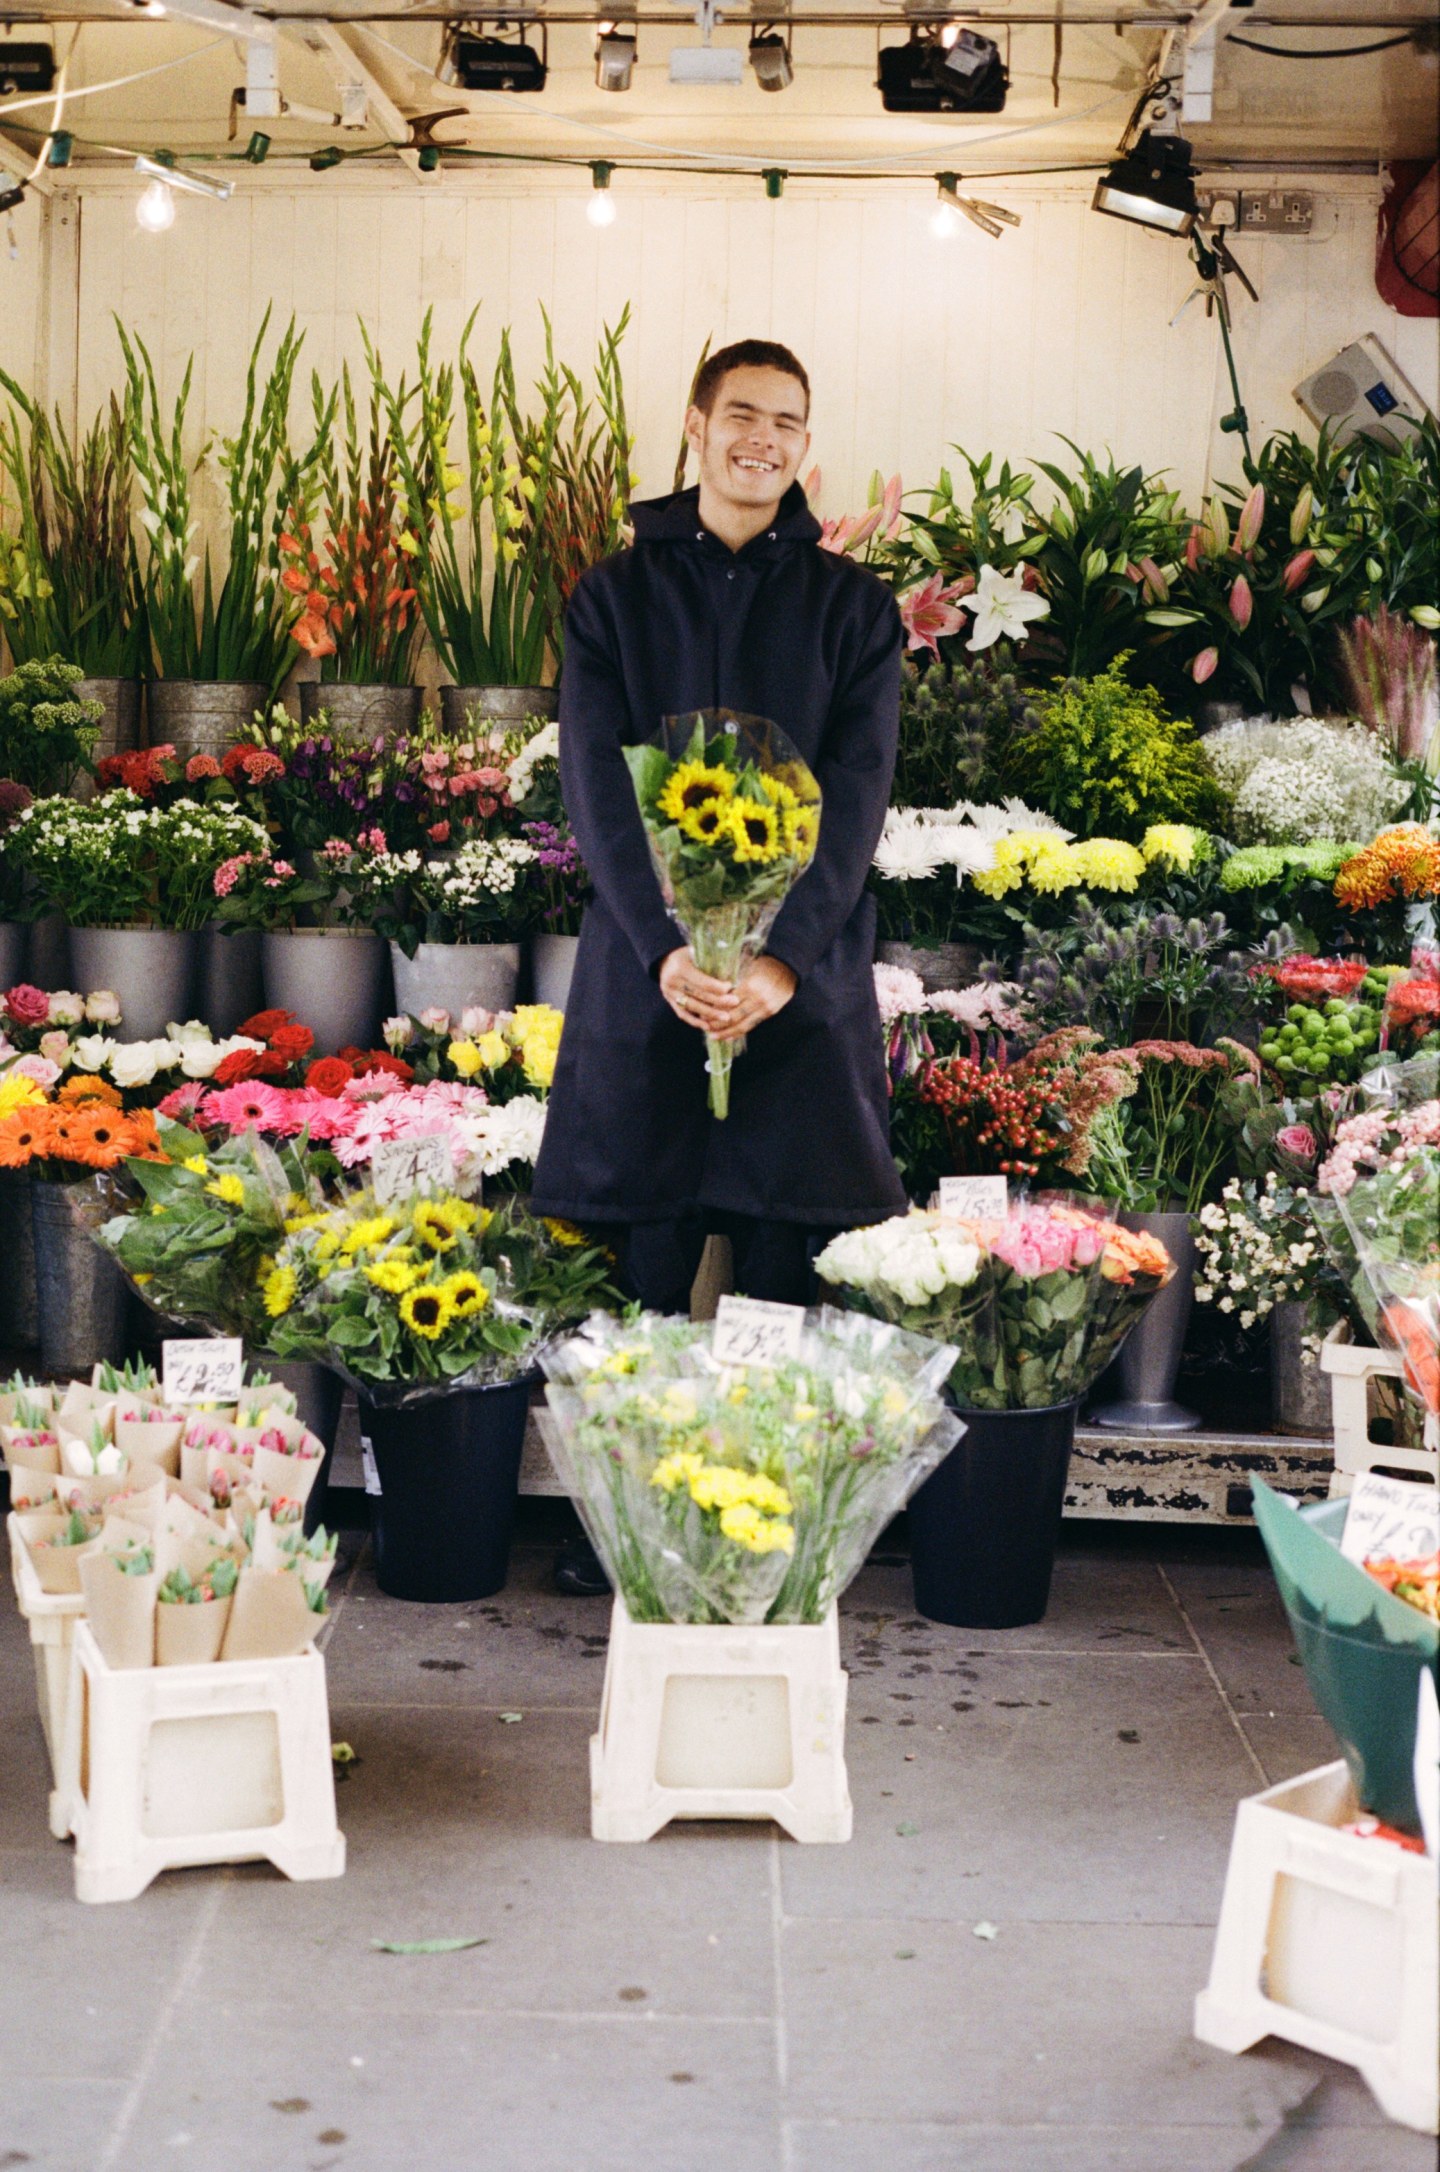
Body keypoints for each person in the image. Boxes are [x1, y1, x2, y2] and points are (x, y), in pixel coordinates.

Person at [530, 337, 906, 1592]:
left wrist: (781, 963)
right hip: (654, 977)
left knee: (782, 1266)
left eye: (787, 421)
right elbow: (596, 784)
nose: (763, 438)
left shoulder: (854, 608)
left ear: (808, 442)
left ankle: (762, 1530)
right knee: (640, 1265)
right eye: (740, 413)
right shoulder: (612, 599)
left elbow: (855, 799)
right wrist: (667, 954)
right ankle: (628, 1523)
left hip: (798, 991)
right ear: (694, 424)